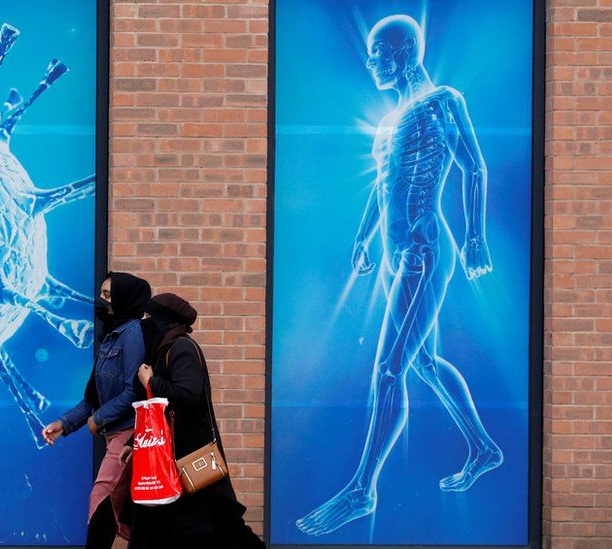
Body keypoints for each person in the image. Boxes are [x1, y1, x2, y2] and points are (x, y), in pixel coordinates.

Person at [296, 15, 501, 537]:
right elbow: (381, 184)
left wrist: (476, 235)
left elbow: (473, 166)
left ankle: (363, 489)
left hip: (426, 252)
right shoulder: (390, 123)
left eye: (378, 54)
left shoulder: (443, 102)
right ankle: (483, 446)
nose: (371, 65)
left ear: (405, 52)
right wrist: (362, 238)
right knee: (424, 362)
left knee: (389, 369)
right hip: (396, 257)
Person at [122, 293, 265, 549]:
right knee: (165, 527)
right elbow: (157, 412)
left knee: (219, 525)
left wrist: (150, 382)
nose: (144, 323)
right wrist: (135, 442)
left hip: (189, 455)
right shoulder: (161, 350)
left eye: (149, 317)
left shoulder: (182, 347)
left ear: (163, 320)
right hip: (166, 458)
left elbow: (187, 394)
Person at [42, 272, 151, 548]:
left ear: (124, 298)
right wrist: (63, 424)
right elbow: (94, 397)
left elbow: (133, 391)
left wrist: (98, 419)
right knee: (120, 507)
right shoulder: (111, 336)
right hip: (113, 432)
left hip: (128, 432)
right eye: (102, 293)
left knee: (102, 496)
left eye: (108, 294)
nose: (102, 300)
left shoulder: (132, 334)